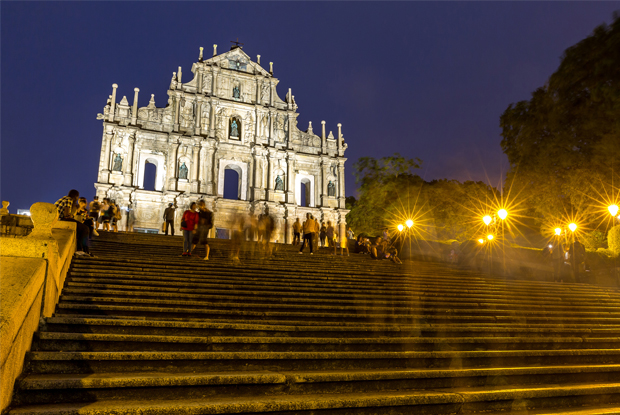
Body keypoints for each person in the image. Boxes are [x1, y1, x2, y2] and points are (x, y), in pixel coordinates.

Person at [54, 189, 92, 257]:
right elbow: (66, 215)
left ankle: (85, 250)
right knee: (85, 228)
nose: (77, 199)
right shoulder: (69, 199)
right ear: (76, 196)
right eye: (77, 197)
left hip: (57, 219)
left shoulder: (64, 198)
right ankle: (80, 250)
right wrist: (72, 215)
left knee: (82, 228)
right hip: (60, 220)